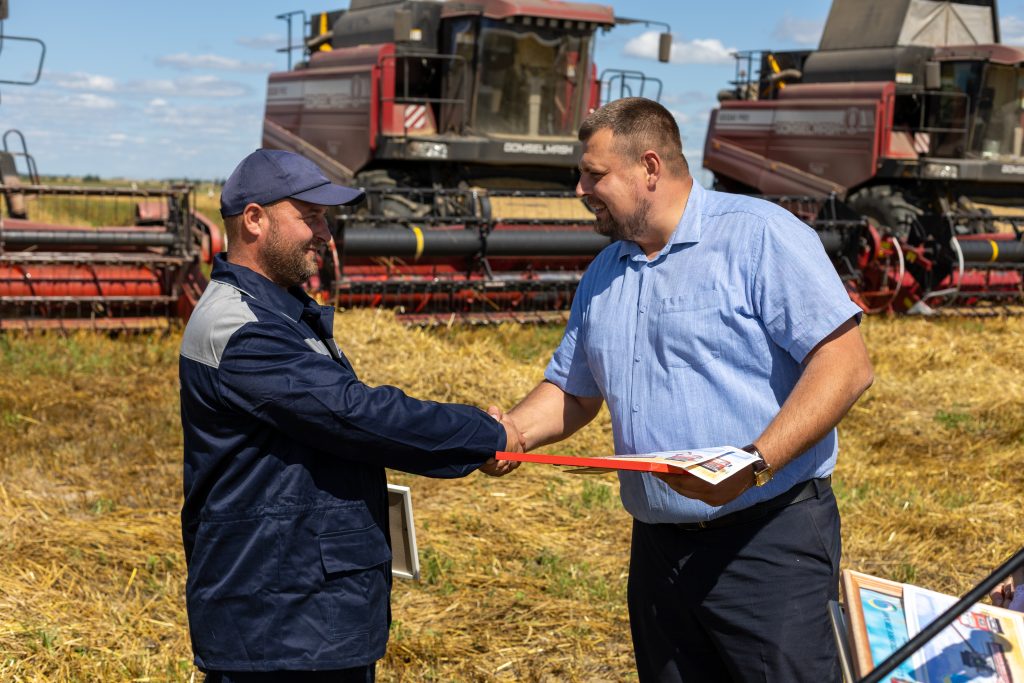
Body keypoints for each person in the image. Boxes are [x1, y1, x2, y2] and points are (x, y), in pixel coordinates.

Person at [507, 97, 874, 682]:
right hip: (659, 553)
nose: (580, 189)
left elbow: (845, 365)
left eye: (594, 174)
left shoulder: (759, 236)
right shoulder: (606, 271)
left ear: (649, 167)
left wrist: (754, 464)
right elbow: (574, 392)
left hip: (767, 544)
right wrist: (512, 432)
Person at [179, 149, 522, 683]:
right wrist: (484, 434)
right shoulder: (243, 329)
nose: (325, 234)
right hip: (279, 621)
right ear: (254, 219)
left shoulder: (278, 310)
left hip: (301, 609)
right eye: (311, 217)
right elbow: (356, 415)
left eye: (325, 219)